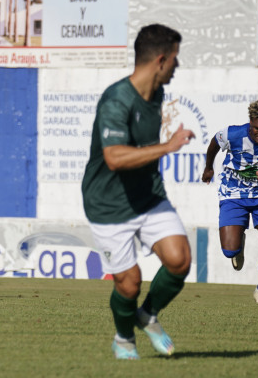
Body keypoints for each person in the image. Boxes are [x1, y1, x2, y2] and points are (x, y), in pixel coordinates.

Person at [81, 24, 194, 360]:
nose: (177, 66)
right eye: (175, 59)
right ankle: (124, 338)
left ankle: (149, 315)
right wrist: (168, 147)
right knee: (128, 283)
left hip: (148, 195)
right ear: (161, 59)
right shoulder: (117, 99)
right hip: (108, 204)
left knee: (179, 260)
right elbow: (114, 158)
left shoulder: (156, 94)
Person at [202, 99, 258, 305]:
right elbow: (214, 143)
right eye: (257, 129)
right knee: (229, 251)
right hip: (233, 194)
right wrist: (209, 167)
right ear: (250, 121)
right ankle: (237, 245)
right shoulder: (232, 134)